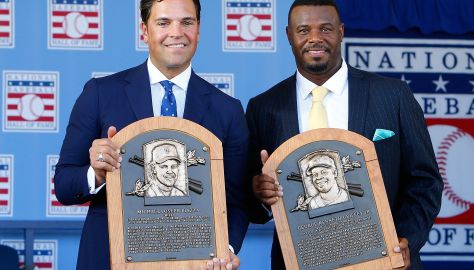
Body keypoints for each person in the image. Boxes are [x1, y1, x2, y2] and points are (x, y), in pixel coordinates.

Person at [246, 0, 443, 269]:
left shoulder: (394, 96)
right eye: (303, 30)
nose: (315, 38)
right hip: (298, 261)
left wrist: (405, 238)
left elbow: (425, 181)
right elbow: (252, 202)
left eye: (325, 29)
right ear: (289, 36)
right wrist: (259, 194)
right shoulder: (263, 108)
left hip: (383, 259)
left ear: (341, 31)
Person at [54, 0, 249, 269]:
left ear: (199, 30)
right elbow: (64, 185)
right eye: (164, 22)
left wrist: (223, 250)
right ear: (144, 30)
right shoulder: (100, 94)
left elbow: (238, 202)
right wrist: (97, 173)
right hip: (109, 259)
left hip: (195, 263)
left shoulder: (227, 109)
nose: (177, 32)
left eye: (187, 22)